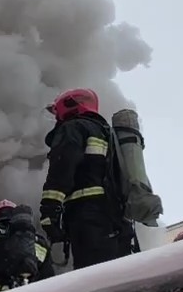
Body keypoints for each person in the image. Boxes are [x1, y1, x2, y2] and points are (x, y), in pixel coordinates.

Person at [39, 88, 136, 270]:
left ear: (68, 105)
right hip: (117, 219)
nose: (56, 117)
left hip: (89, 218)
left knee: (92, 278)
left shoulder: (72, 128)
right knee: (117, 275)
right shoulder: (106, 132)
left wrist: (49, 212)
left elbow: (62, 169)